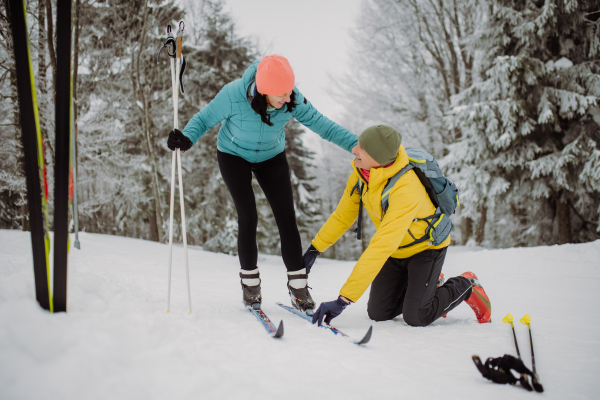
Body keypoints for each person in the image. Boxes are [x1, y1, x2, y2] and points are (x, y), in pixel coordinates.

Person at [167, 55, 358, 313]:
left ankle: (299, 288)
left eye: (290, 92)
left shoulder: (293, 100)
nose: (288, 99)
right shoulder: (233, 94)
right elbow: (203, 120)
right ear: (264, 90)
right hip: (233, 155)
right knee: (248, 216)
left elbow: (324, 126)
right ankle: (250, 285)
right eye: (282, 94)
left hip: (271, 157)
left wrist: (358, 146)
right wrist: (187, 138)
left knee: (286, 219)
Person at [302, 124, 492, 327]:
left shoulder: (406, 188)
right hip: (397, 251)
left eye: (362, 148)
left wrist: (343, 300)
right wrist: (314, 250)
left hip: (425, 248)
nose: (355, 150)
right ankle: (429, 286)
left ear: (379, 157)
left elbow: (382, 244)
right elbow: (342, 217)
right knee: (378, 312)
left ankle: (466, 285)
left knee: (417, 316)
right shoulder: (361, 174)